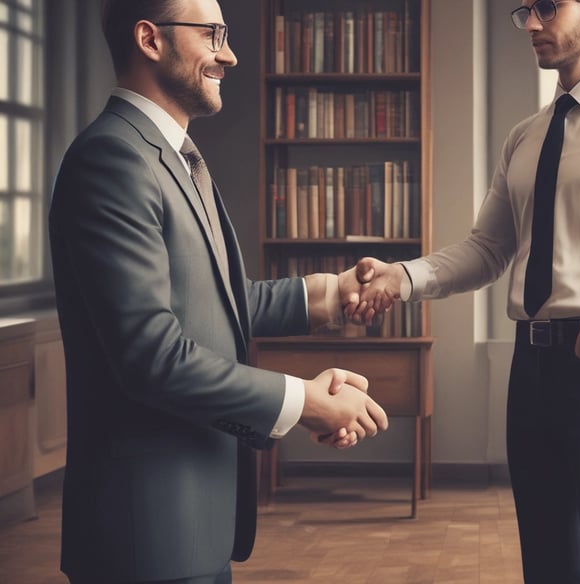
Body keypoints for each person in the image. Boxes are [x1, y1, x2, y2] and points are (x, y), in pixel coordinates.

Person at [349, 0, 580, 582]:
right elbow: (488, 249)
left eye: (548, 7)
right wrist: (404, 276)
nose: (533, 24)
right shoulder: (525, 136)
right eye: (525, 11)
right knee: (548, 564)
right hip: (532, 365)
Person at [48, 0, 388, 582]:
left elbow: (218, 302)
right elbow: (152, 356)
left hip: (193, 529)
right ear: (150, 39)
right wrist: (305, 402)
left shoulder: (174, 158)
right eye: (212, 34)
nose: (228, 53)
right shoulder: (112, 159)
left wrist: (334, 292)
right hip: (144, 538)